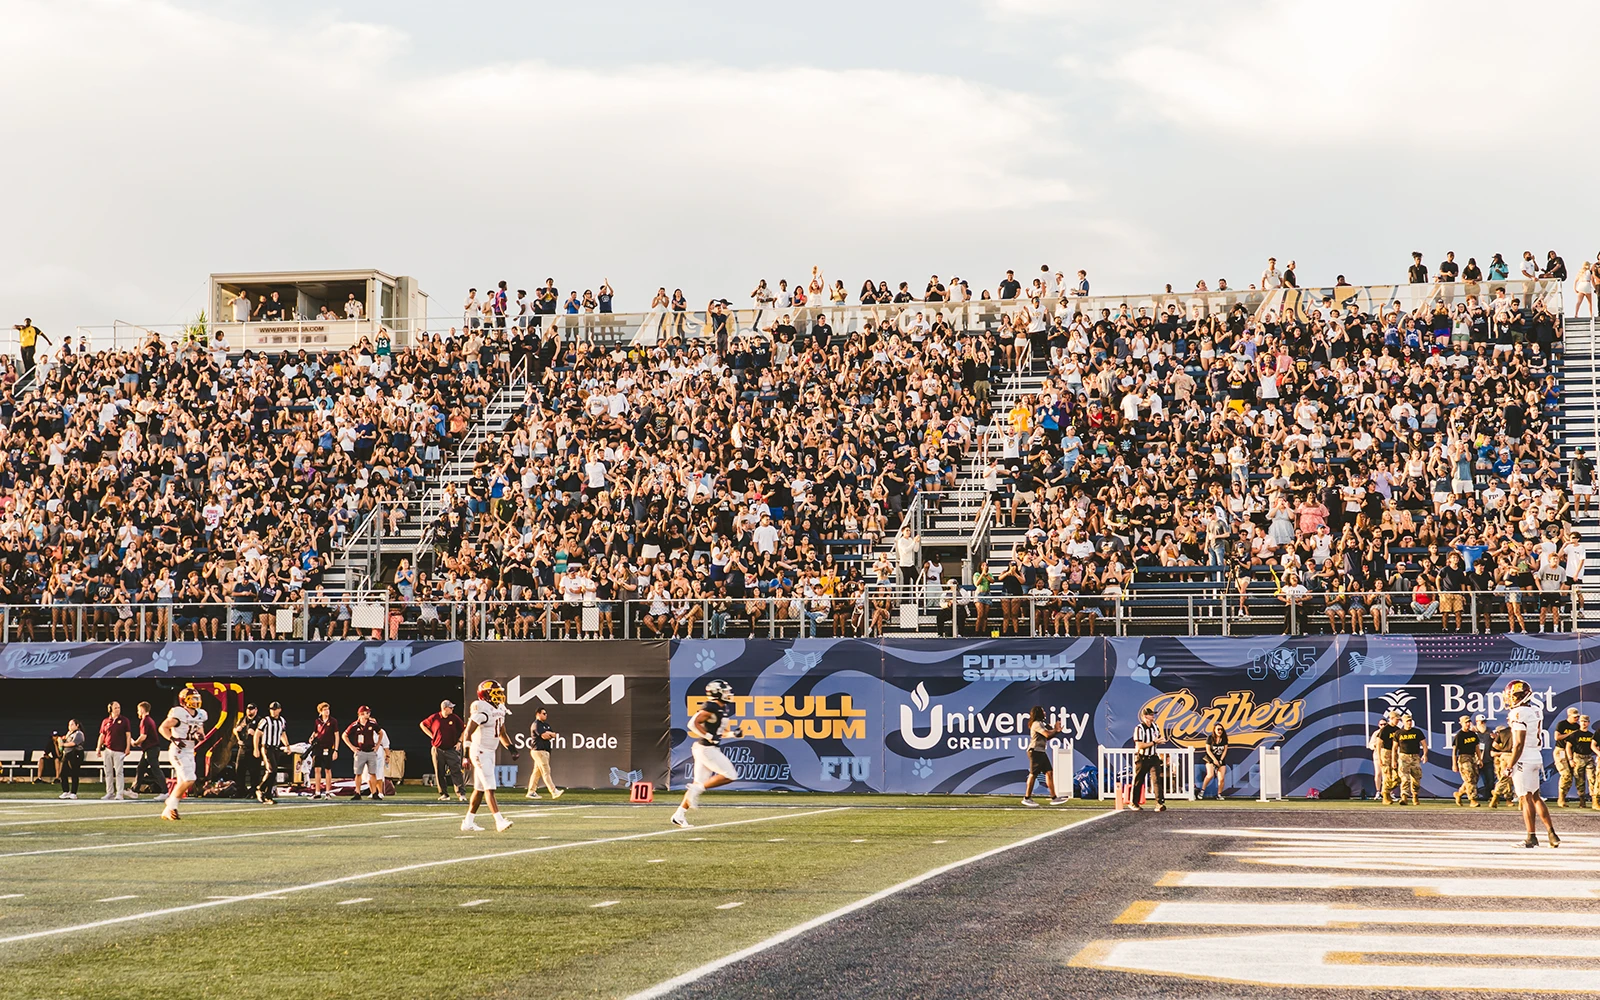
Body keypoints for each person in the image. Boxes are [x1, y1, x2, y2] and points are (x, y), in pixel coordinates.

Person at [672, 680, 740, 828]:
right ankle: (698, 789)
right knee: (730, 775)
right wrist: (709, 736)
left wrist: (733, 734)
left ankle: (679, 814)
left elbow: (719, 733)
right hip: (706, 749)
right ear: (717, 693)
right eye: (725, 691)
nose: (728, 694)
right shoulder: (711, 706)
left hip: (705, 748)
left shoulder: (722, 707)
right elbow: (692, 724)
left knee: (697, 783)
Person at [1504, 679, 1558, 848]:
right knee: (1535, 796)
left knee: (1525, 797)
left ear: (1522, 696)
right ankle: (1551, 833)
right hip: (1536, 755)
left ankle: (1531, 837)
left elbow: (1518, 744)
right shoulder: (1535, 710)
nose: (1511, 699)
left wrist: (1510, 764)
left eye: (1514, 696)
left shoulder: (1518, 713)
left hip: (1524, 757)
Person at [461, 680, 514, 833]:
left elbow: (502, 732)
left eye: (500, 693)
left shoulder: (500, 709)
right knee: (490, 788)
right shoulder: (481, 709)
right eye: (496, 693)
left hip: (490, 751)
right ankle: (499, 821)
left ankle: (468, 822)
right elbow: (468, 732)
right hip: (480, 751)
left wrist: (511, 748)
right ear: (485, 695)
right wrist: (465, 755)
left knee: (479, 789)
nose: (500, 696)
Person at [159, 688, 208, 821]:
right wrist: (173, 739)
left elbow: (200, 731)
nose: (196, 701)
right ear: (184, 700)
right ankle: (170, 803)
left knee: (183, 784)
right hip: (178, 751)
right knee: (189, 779)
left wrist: (200, 736)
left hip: (190, 751)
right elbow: (163, 727)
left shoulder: (200, 714)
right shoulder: (179, 713)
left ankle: (168, 811)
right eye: (193, 698)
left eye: (197, 698)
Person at [419, 700, 467, 802]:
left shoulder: (454, 718)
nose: (452, 709)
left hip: (451, 749)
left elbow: (464, 729)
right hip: (437, 749)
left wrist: (459, 742)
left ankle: (461, 793)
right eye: (450, 708)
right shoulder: (435, 717)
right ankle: (444, 794)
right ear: (445, 708)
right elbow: (422, 724)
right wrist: (432, 736)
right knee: (439, 772)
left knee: (456, 771)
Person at [1019, 706, 1066, 806]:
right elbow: (1047, 734)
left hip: (1041, 751)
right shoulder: (1036, 724)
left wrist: (1055, 730)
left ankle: (1054, 798)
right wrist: (1055, 730)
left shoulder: (1042, 723)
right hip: (1035, 751)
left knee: (1049, 772)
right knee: (1033, 774)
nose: (1045, 712)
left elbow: (1049, 735)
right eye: (1043, 711)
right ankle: (1027, 798)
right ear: (1039, 713)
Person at [342, 705, 387, 801]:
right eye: (367, 712)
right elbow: (344, 735)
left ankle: (374, 792)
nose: (369, 714)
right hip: (361, 751)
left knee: (373, 773)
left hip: (371, 751)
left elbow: (381, 733)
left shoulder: (372, 723)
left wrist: (377, 745)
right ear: (361, 714)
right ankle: (357, 792)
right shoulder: (355, 725)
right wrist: (352, 747)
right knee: (358, 773)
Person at [1128, 706, 1167, 812]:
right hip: (1142, 757)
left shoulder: (1155, 726)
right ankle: (1134, 802)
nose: (1153, 716)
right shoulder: (1139, 728)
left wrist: (1161, 740)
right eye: (1151, 714)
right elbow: (1139, 745)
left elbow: (1157, 738)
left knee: (1156, 779)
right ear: (1145, 716)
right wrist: (1154, 742)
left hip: (1153, 756)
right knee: (1138, 780)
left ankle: (1159, 803)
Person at [524, 706, 563, 800]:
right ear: (538, 714)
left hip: (544, 751)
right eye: (544, 713)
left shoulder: (546, 725)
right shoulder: (536, 724)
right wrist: (549, 734)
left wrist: (550, 734)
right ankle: (553, 791)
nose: (546, 715)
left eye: (546, 713)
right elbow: (544, 736)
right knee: (546, 771)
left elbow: (554, 735)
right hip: (539, 750)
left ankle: (531, 791)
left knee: (536, 772)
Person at [96, 701, 133, 801]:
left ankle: (119, 793)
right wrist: (98, 748)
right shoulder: (105, 721)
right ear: (110, 709)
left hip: (119, 750)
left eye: (119, 707)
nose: (118, 709)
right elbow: (102, 735)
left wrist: (128, 747)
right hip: (107, 749)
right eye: (115, 707)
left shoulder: (124, 720)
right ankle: (110, 792)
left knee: (119, 772)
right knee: (108, 772)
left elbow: (128, 735)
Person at [254, 702, 289, 804]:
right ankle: (260, 788)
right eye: (271, 709)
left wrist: (287, 745)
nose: (273, 711)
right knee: (271, 770)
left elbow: (282, 733)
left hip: (276, 748)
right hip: (266, 748)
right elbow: (257, 734)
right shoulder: (265, 720)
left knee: (273, 772)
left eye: (275, 709)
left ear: (279, 710)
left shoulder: (282, 721)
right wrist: (256, 748)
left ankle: (267, 795)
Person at [307, 702, 340, 800]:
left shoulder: (333, 721)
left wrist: (336, 750)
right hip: (318, 748)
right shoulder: (317, 721)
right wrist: (312, 736)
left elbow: (336, 735)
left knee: (328, 769)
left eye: (328, 709)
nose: (327, 711)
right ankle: (317, 792)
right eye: (325, 710)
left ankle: (328, 792)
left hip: (328, 748)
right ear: (320, 711)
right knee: (317, 769)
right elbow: (316, 732)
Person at [130, 701, 162, 794]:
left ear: (142, 710)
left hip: (151, 749)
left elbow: (143, 736)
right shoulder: (150, 720)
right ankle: (135, 790)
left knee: (155, 769)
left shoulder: (145, 721)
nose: (138, 712)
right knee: (141, 768)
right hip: (150, 749)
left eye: (138, 710)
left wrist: (135, 743)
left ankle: (165, 790)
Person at [1393, 713, 1426, 805]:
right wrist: (1394, 760)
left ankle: (1415, 796)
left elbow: (1424, 744)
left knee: (1417, 778)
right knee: (1404, 778)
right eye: (1407, 721)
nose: (1409, 723)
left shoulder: (1417, 732)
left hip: (1415, 757)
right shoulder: (1398, 733)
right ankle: (1404, 797)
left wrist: (1425, 755)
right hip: (1403, 756)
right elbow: (1394, 748)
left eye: (1410, 721)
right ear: (1403, 722)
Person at [1368, 708, 1399, 804]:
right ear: (1392, 718)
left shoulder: (1397, 730)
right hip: (1384, 753)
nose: (1398, 721)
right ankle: (1385, 795)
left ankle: (1388, 792)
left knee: (1396, 776)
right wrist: (1380, 758)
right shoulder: (1384, 731)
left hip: (1394, 754)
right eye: (1396, 719)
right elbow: (1377, 744)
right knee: (1385, 774)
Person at [1554, 705, 1583, 806]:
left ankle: (1563, 797)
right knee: (1565, 774)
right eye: (1575, 717)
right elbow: (1557, 737)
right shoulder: (1562, 724)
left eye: (1578, 717)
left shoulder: (1577, 726)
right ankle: (1561, 799)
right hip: (1561, 751)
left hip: (1571, 752)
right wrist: (1570, 735)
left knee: (1571, 777)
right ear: (1569, 715)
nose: (1576, 718)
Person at [1451, 714, 1481, 807]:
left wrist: (1480, 759)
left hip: (1472, 757)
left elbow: (1477, 748)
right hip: (1463, 758)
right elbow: (1454, 751)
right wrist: (1454, 764)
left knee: (1474, 779)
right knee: (1469, 777)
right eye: (1466, 722)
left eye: (1469, 722)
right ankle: (1472, 799)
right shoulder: (1459, 736)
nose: (1468, 724)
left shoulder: (1473, 734)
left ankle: (1459, 794)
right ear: (1461, 724)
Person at [233, 704, 262, 799]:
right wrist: (237, 734)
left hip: (253, 748)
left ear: (256, 710)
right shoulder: (242, 720)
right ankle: (240, 790)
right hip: (242, 748)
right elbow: (235, 730)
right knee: (239, 770)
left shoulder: (260, 720)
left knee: (254, 771)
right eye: (248, 709)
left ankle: (253, 791)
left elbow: (264, 733)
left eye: (252, 709)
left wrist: (255, 734)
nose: (250, 711)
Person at [54, 719, 86, 799]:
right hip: (67, 754)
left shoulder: (79, 733)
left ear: (77, 725)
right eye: (69, 725)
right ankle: (66, 791)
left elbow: (73, 743)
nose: (70, 726)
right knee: (63, 772)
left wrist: (63, 744)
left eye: (72, 724)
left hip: (75, 754)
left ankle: (73, 792)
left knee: (74, 773)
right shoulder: (69, 733)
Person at [1570, 714, 1597, 810]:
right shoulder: (1575, 734)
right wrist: (1570, 759)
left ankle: (1595, 801)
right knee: (1580, 781)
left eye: (1586, 721)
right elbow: (1568, 747)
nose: (1584, 723)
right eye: (1582, 721)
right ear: (1579, 722)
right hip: (1578, 757)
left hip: (1589, 758)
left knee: (1592, 779)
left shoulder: (1591, 735)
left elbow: (1595, 745)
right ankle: (1582, 801)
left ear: (1589, 723)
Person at [1200, 721, 1229, 800]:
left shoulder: (1224, 739)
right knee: (1210, 775)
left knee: (1221, 778)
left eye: (1221, 730)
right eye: (1218, 729)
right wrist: (1214, 760)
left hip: (1220, 759)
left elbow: (1225, 750)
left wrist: (1221, 759)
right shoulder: (1210, 738)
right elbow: (1208, 750)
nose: (1220, 731)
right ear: (1214, 730)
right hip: (1210, 758)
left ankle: (1219, 794)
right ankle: (1202, 791)